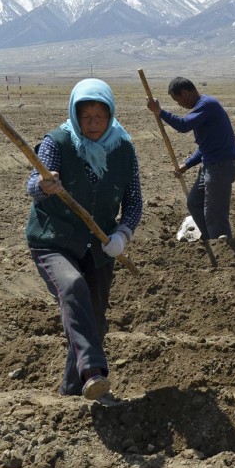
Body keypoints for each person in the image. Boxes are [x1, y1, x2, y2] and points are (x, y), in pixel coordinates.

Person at [25, 78, 143, 401]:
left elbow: (134, 202)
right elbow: (33, 183)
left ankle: (72, 392)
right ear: (75, 115)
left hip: (100, 246)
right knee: (73, 286)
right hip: (53, 240)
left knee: (93, 319)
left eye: (99, 117)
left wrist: (123, 233)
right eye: (86, 117)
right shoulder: (57, 142)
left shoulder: (123, 148)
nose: (92, 124)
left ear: (110, 116)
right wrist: (44, 186)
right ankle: (94, 371)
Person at [146, 77, 235, 240]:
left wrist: (159, 112)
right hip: (211, 165)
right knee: (194, 202)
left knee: (214, 214)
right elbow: (205, 148)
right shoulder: (202, 107)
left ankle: (223, 248)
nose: (178, 104)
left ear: (184, 93)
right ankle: (211, 239)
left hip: (221, 166)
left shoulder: (207, 105)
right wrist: (187, 165)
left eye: (177, 100)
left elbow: (183, 125)